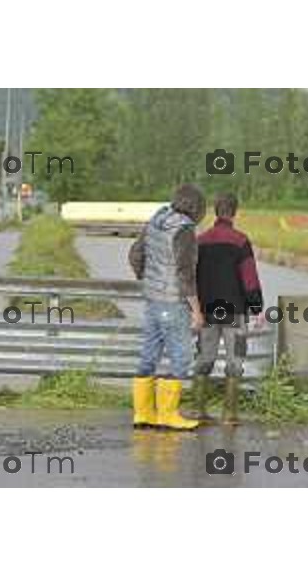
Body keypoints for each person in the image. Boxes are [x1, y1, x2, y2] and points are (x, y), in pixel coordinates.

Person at [128, 184, 206, 430]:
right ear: (196, 208)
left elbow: (134, 254)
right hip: (173, 302)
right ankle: (168, 415)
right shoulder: (184, 230)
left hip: (151, 300)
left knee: (149, 354)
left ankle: (143, 413)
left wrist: (146, 277)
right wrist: (196, 310)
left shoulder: (155, 220)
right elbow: (185, 274)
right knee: (181, 357)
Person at [193, 192, 263, 425]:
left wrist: (194, 308)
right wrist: (256, 306)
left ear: (215, 210)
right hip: (234, 311)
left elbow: (191, 277)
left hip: (208, 311)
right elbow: (249, 277)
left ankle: (199, 411)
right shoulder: (241, 241)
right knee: (235, 362)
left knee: (204, 358)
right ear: (234, 212)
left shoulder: (200, 241)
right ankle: (230, 415)